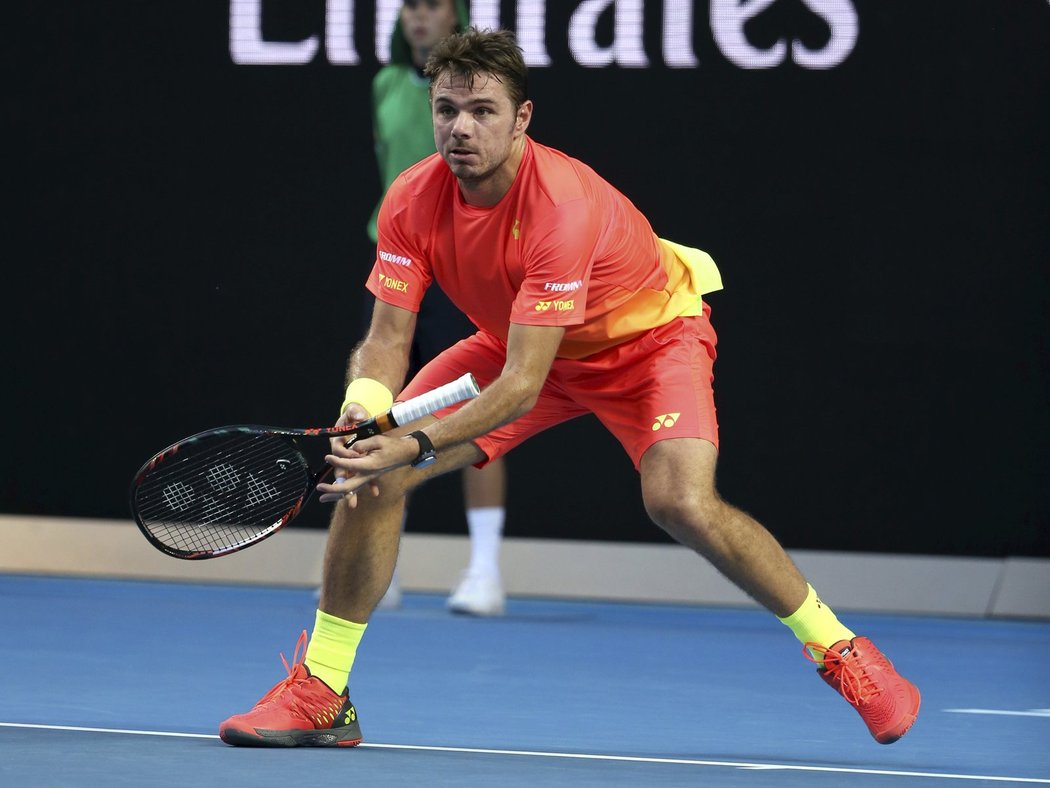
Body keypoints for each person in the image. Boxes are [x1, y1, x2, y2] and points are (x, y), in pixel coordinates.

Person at [219, 27, 921, 749]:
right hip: (518, 342)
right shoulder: (412, 196)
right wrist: (364, 409)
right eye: (447, 109)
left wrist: (414, 441)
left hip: (645, 345)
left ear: (523, 118)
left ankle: (841, 652)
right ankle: (322, 693)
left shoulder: (560, 205)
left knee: (679, 501)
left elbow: (521, 387)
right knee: (374, 473)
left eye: (483, 111)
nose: (460, 128)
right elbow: (388, 338)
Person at [368, 0, 506, 616]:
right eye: (410, 8)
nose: (418, 18)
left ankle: (485, 571)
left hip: (462, 269)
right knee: (380, 414)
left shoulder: (480, 94)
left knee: (478, 416)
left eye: (432, 6)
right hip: (400, 265)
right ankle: (378, 568)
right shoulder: (388, 84)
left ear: (456, 18)